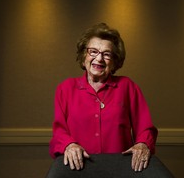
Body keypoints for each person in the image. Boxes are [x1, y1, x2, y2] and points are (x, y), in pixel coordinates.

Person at [47, 23, 174, 177]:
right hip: (79, 171)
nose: (99, 58)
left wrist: (142, 144)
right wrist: (69, 145)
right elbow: (59, 131)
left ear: (114, 61)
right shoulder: (65, 88)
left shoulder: (127, 87)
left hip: (121, 170)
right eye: (93, 51)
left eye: (107, 54)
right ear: (83, 55)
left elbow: (145, 128)